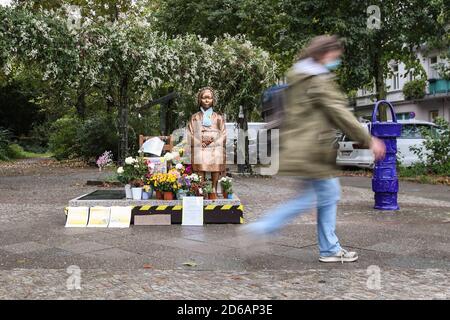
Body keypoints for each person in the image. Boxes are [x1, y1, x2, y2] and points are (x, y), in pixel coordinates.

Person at [240, 35, 386, 263]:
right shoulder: (317, 79)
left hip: (300, 148)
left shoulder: (298, 76)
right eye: (335, 56)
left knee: (320, 196)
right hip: (313, 151)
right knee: (320, 196)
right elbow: (339, 112)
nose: (336, 60)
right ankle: (266, 228)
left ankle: (327, 247)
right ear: (324, 54)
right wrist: (368, 139)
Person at [187, 87, 226, 195]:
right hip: (200, 147)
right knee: (199, 154)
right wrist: (200, 143)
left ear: (213, 100)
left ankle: (214, 187)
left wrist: (212, 143)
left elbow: (223, 134)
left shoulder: (218, 118)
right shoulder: (194, 117)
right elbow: (190, 134)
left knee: (218, 154)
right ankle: (201, 187)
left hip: (214, 147)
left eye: (209, 98)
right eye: (204, 98)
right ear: (200, 100)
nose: (207, 100)